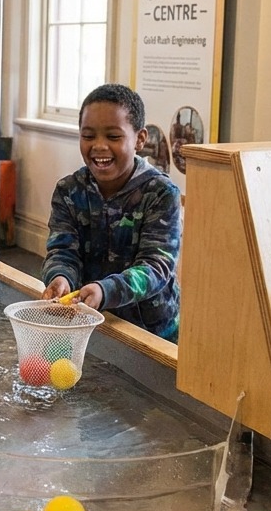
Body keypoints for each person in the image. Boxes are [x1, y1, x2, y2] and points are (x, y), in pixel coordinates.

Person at [40, 83, 182, 342]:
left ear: (140, 139)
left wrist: (106, 290)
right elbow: (62, 251)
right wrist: (60, 277)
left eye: (113, 137)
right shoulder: (68, 191)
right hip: (87, 323)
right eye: (88, 136)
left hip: (151, 333)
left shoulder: (161, 193)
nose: (99, 146)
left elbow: (156, 267)